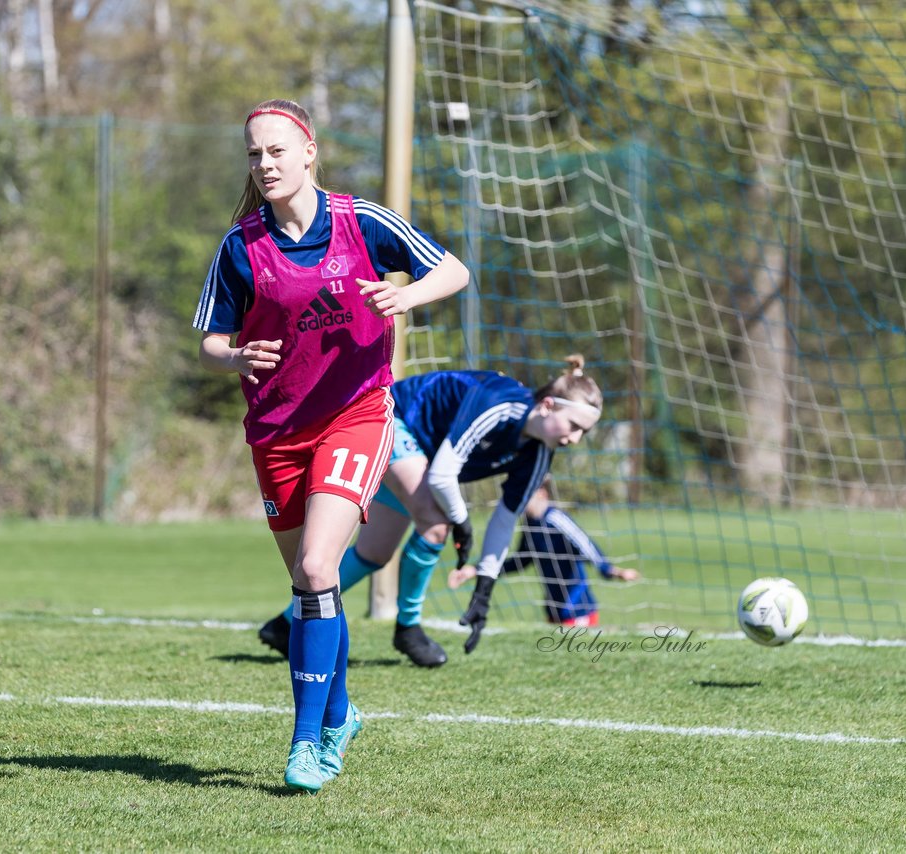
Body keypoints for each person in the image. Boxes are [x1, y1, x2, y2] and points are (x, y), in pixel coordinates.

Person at [193, 98, 469, 793]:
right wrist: (234, 359)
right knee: (311, 587)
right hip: (277, 434)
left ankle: (307, 743)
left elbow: (453, 271)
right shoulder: (241, 246)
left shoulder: (362, 222)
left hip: (357, 414)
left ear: (310, 151)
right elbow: (209, 341)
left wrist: (408, 298)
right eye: (254, 154)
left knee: (319, 568)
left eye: (278, 151)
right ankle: (340, 715)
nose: (265, 164)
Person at [258, 356, 604, 666]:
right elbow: (442, 475)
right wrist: (462, 521)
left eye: (583, 433)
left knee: (374, 553)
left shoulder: (539, 452)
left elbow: (504, 520)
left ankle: (285, 625)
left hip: (418, 452)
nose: (575, 439)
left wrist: (484, 589)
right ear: (547, 405)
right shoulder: (499, 405)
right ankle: (408, 628)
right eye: (574, 426)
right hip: (388, 418)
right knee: (436, 523)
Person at [447, 480, 640, 627]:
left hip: (578, 609)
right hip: (553, 609)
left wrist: (611, 570)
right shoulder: (530, 526)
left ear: (542, 493)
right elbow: (520, 561)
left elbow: (586, 546)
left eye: (525, 495)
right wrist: (477, 570)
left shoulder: (557, 520)